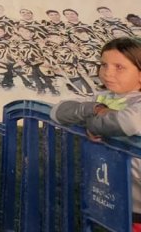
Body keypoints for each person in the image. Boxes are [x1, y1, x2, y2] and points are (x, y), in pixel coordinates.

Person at [51, 37, 141, 229]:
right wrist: (95, 109)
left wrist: (92, 124)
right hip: (120, 198)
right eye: (103, 65)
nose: (108, 72)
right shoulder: (101, 98)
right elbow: (57, 112)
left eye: (119, 67)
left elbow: (127, 123)